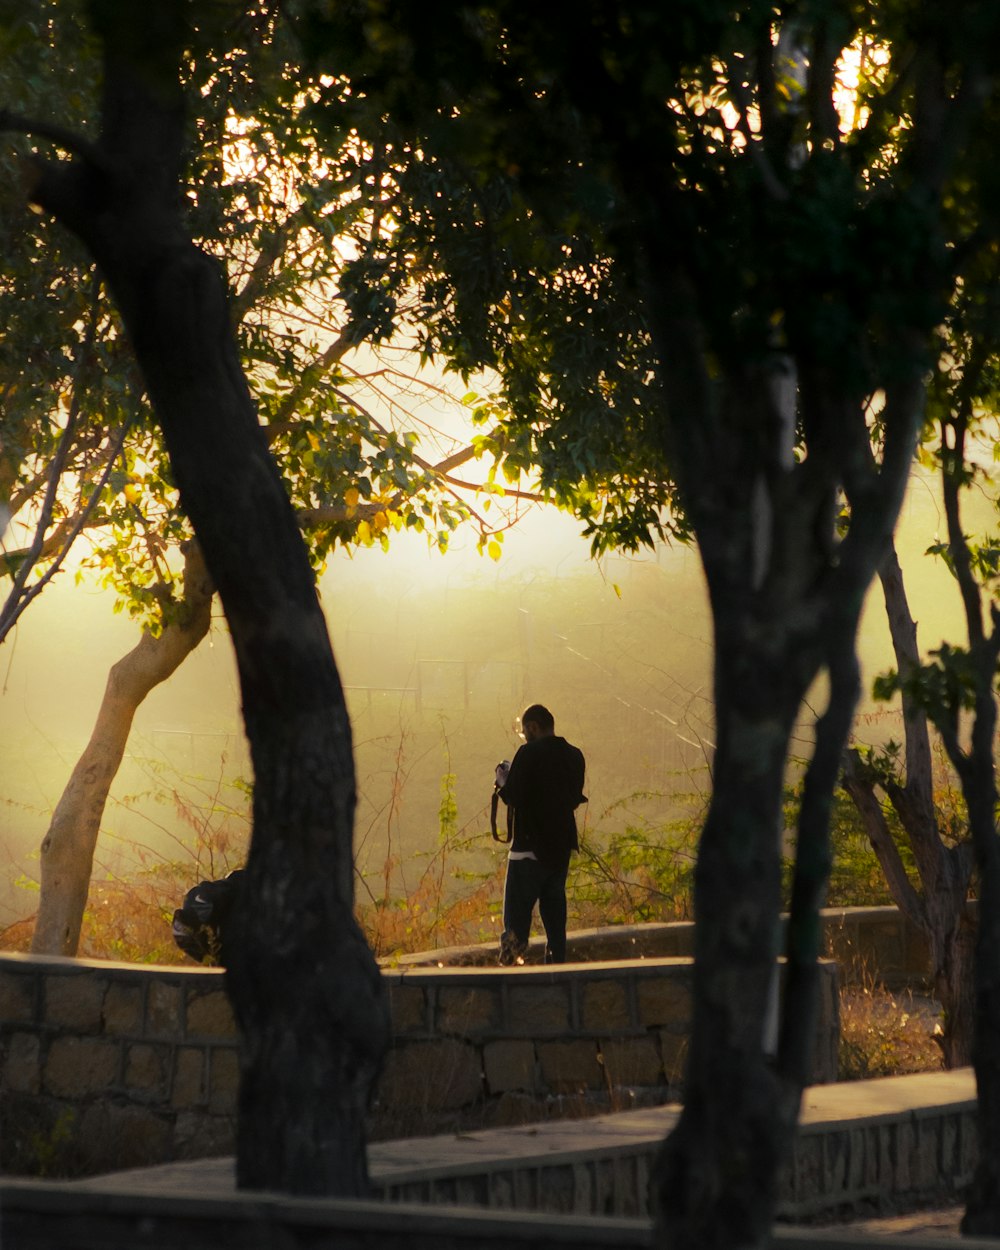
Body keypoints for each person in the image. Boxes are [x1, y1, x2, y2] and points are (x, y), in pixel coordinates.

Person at [495, 704, 586, 965]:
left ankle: (509, 973)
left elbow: (515, 796)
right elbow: (572, 798)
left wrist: (503, 781)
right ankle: (557, 971)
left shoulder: (529, 753)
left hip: (527, 849)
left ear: (533, 727)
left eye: (524, 732)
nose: (524, 737)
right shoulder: (575, 755)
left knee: (516, 923)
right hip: (560, 850)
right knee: (555, 920)